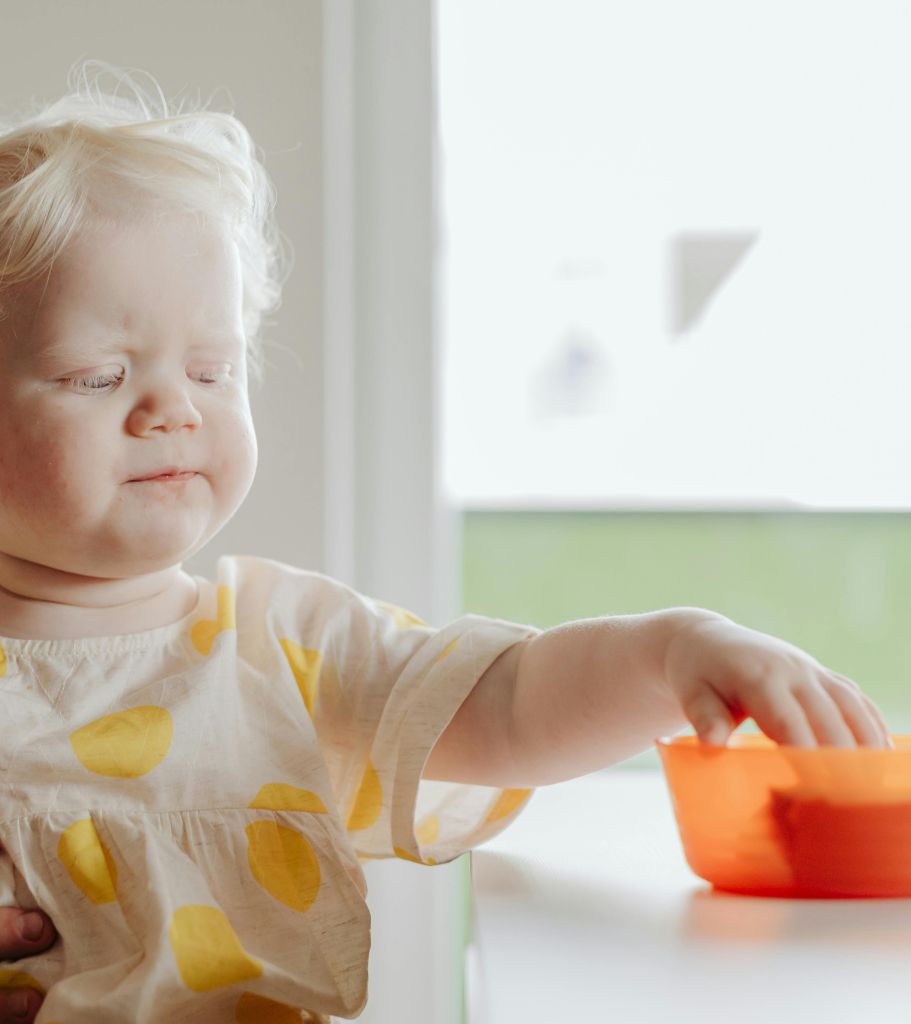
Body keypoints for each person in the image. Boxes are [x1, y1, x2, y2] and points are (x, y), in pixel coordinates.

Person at [0, 61, 893, 1024]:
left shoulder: (284, 649)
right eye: (97, 376)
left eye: (215, 370)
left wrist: (673, 649)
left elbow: (507, 704)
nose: (173, 408)